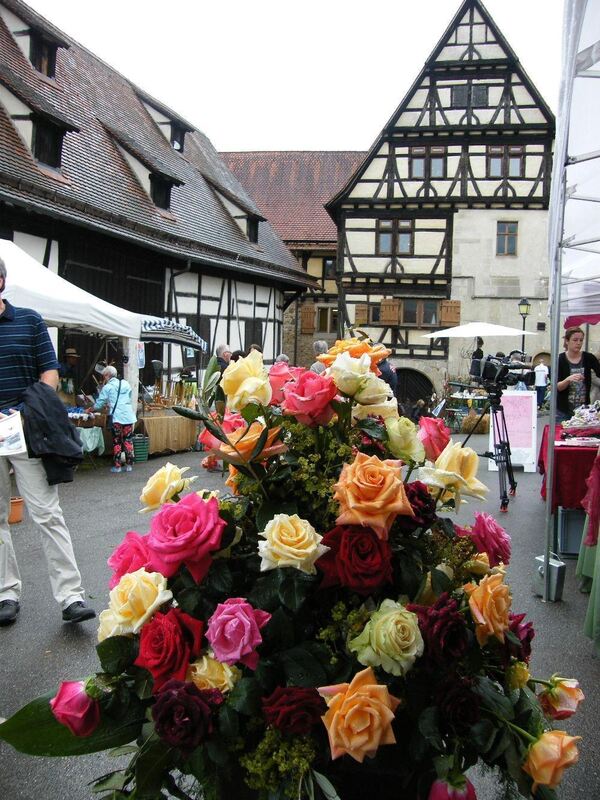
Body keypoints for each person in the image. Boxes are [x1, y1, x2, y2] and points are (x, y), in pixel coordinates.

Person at [0, 256, 95, 626]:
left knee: (46, 513)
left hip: (23, 430)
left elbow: (50, 370)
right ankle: (5, 593)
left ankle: (70, 597)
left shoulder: (29, 320)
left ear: (2, 282)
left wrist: (31, 408)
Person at [87, 366, 137, 473]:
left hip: (117, 417)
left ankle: (118, 466)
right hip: (128, 416)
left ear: (107, 375)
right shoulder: (126, 383)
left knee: (117, 441)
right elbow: (128, 397)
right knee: (128, 440)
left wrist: (90, 409)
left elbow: (99, 404)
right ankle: (129, 465)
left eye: (104, 375)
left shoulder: (108, 387)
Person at [556, 327, 600, 421]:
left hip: (584, 411)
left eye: (581, 340)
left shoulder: (589, 358)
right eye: (575, 340)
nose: (579, 343)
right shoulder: (560, 359)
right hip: (563, 411)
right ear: (567, 341)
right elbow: (557, 387)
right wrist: (568, 379)